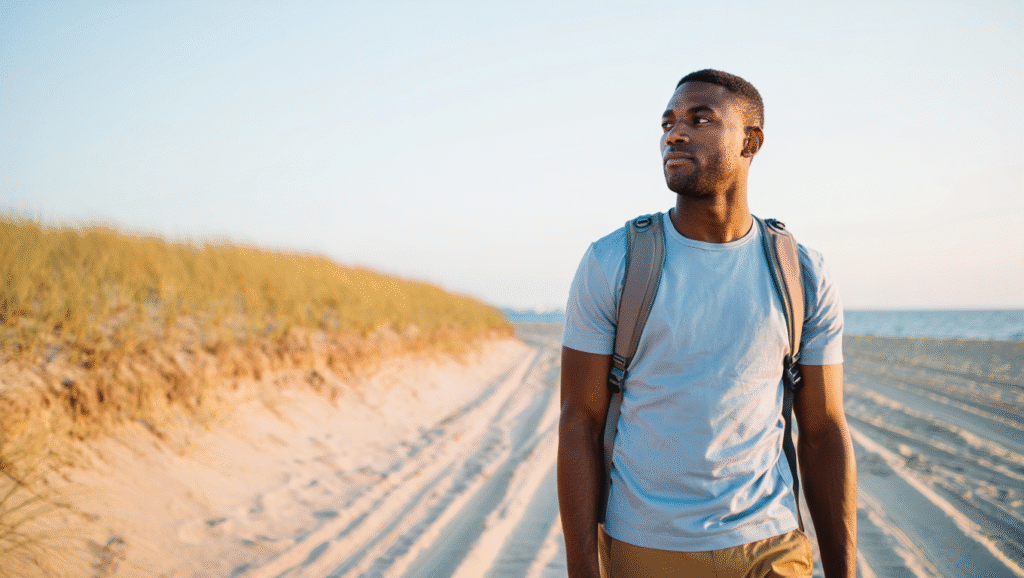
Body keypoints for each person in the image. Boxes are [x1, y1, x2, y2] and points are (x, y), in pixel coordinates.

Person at [557, 69, 857, 578]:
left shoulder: (801, 272)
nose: (675, 133)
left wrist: (844, 571)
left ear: (750, 141)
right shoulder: (616, 261)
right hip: (646, 547)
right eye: (668, 122)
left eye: (701, 120)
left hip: (771, 543)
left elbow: (825, 429)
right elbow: (578, 424)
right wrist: (584, 569)